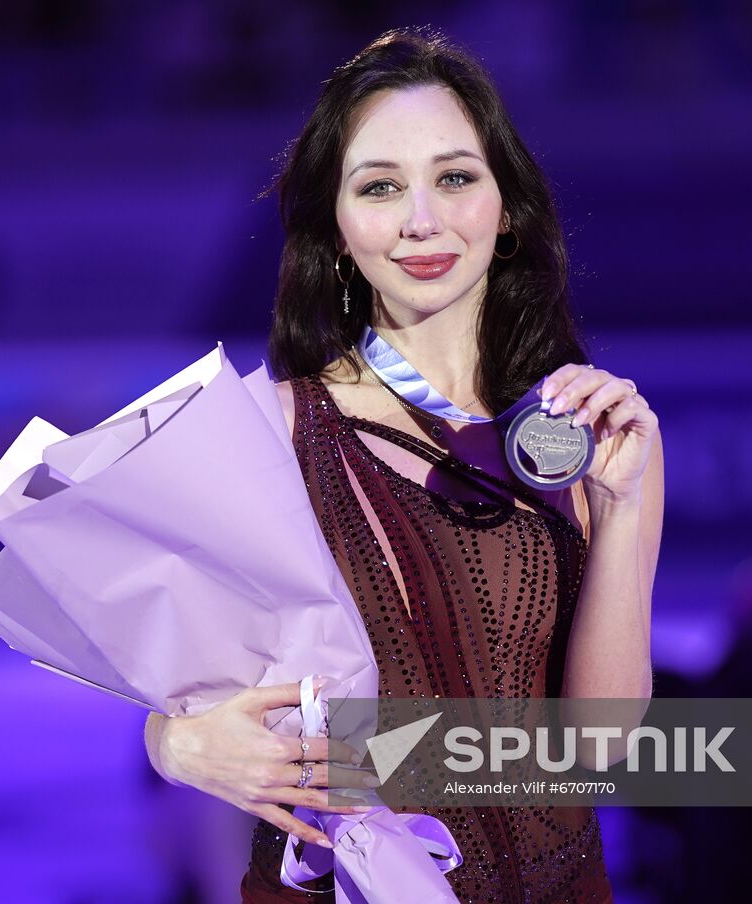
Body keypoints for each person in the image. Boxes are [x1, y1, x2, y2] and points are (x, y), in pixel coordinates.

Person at [144, 27, 662, 903]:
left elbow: (599, 744)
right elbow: (179, 701)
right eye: (381, 187)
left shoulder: (583, 435)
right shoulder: (268, 430)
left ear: (506, 210)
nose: (423, 219)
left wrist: (626, 506)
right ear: (338, 229)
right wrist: (179, 745)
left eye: (455, 177)